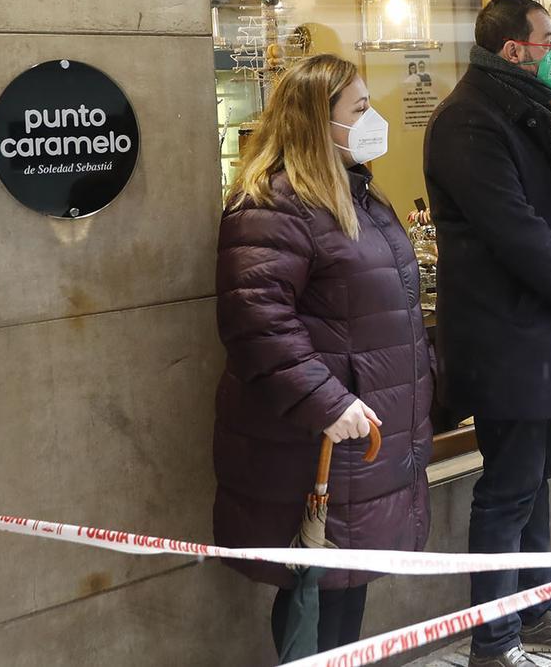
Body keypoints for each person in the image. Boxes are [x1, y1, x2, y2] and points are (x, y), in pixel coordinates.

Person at [212, 54, 434, 656]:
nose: (373, 120)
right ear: (317, 121)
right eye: (359, 110)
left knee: (345, 583)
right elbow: (256, 319)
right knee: (315, 586)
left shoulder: (361, 195)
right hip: (318, 437)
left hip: (363, 434)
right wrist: (326, 402)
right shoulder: (273, 204)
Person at [423, 0, 551, 667]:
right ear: (516, 49)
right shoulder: (468, 119)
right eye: (549, 39)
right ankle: (494, 641)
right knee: (508, 489)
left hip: (542, 337)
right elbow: (516, 231)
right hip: (510, 338)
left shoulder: (521, 106)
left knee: (537, 480)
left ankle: (536, 612)